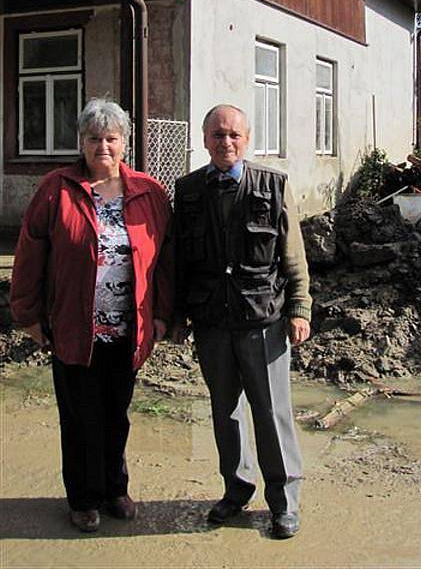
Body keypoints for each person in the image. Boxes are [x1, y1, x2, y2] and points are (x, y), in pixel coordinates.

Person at [10, 98, 172, 533]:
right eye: (94, 138)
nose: (103, 146)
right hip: (72, 326)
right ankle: (82, 498)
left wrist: (163, 316)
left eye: (112, 138)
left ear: (125, 144)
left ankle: (114, 488)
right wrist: (27, 313)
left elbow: (164, 261)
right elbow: (29, 253)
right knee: (80, 416)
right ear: (81, 143)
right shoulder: (56, 188)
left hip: (128, 327)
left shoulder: (149, 192)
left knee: (116, 412)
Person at [174, 104, 312, 539]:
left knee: (272, 413)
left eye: (233, 135)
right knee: (225, 411)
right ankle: (236, 490)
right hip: (212, 321)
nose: (225, 142)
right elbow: (180, 260)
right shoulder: (189, 190)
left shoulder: (273, 186)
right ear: (204, 140)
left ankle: (284, 502)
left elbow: (293, 256)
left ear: (247, 139)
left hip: (263, 320)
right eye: (217, 135)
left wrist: (300, 308)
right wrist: (177, 315)